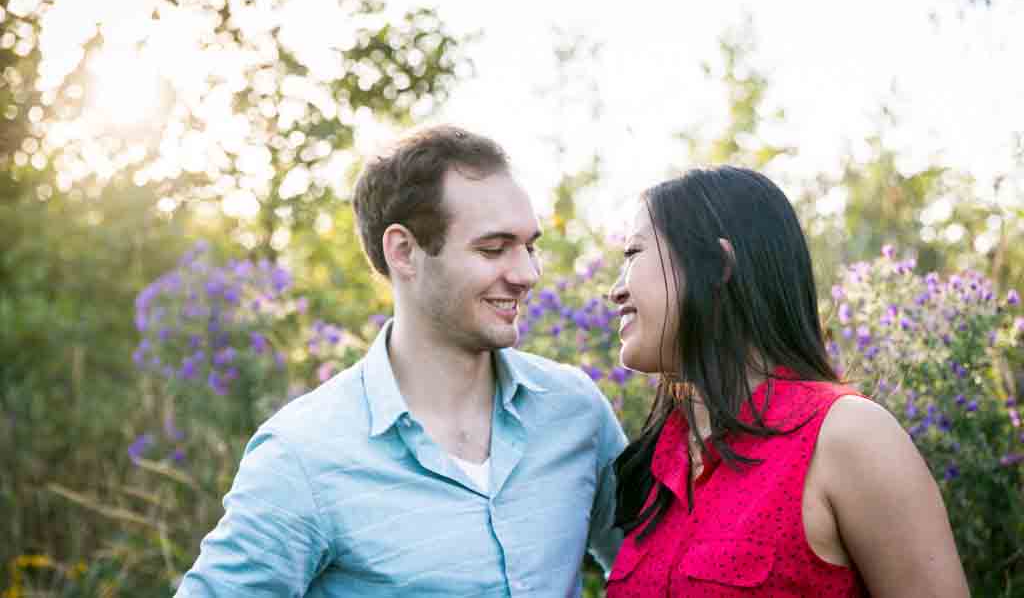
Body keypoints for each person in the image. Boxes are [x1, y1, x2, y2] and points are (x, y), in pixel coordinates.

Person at [176, 125, 627, 597]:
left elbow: (660, 569)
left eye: (529, 247)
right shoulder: (303, 455)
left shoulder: (575, 411)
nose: (526, 274)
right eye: (493, 249)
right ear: (404, 252)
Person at [604, 166, 969, 597]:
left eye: (633, 254)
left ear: (717, 265)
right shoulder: (659, 462)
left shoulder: (847, 436)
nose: (616, 290)